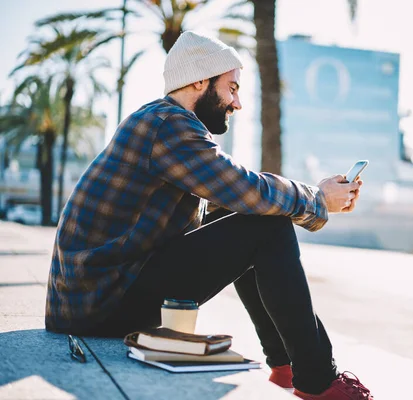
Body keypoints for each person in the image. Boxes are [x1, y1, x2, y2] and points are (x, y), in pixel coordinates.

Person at [45, 31, 373, 399]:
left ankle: (287, 366)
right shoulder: (169, 125)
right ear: (200, 80)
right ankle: (318, 382)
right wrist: (317, 198)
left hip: (95, 297)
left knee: (255, 217)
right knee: (266, 224)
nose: (238, 103)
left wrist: (316, 197)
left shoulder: (162, 123)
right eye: (232, 88)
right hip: (101, 304)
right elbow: (247, 188)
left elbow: (238, 198)